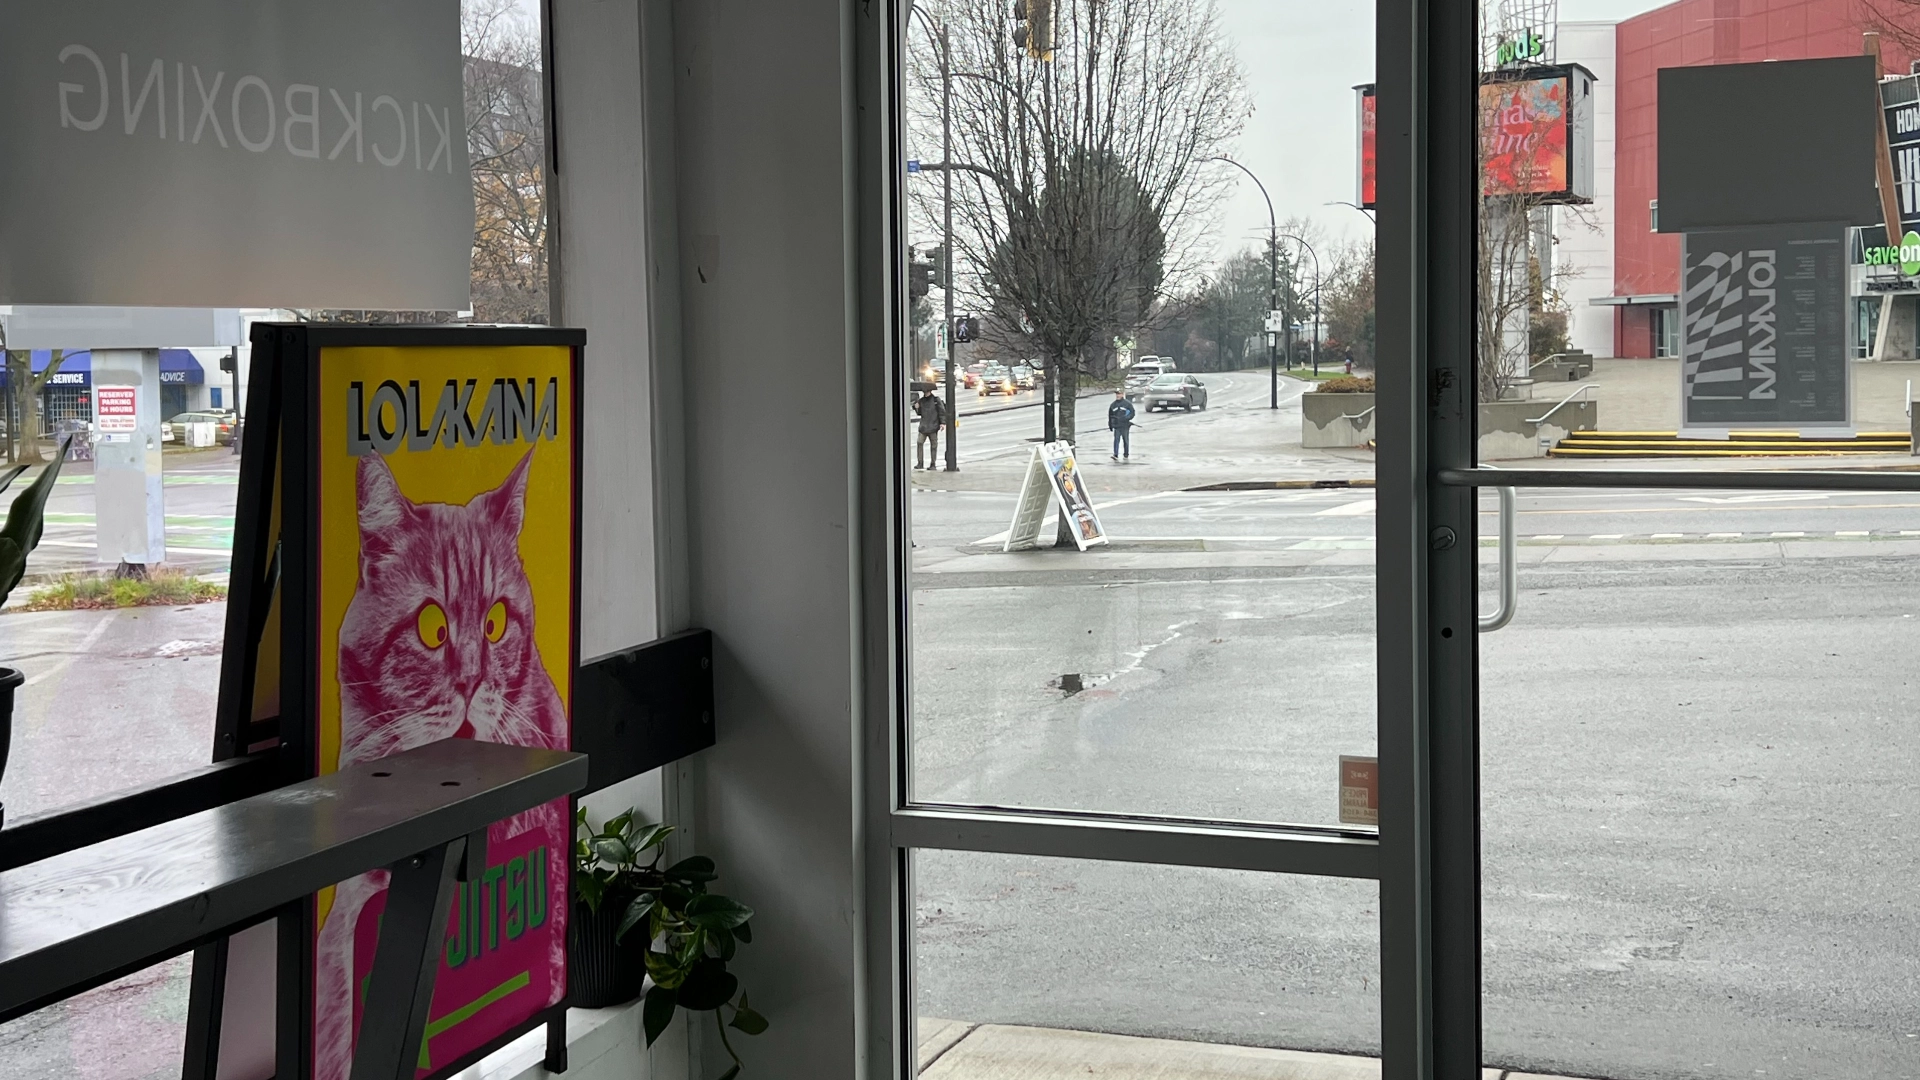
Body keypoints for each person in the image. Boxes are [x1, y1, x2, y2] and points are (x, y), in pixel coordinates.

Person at [913, 389, 946, 469]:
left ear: (929, 391)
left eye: (926, 391)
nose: (925, 393)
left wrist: (942, 423)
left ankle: (933, 463)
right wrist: (916, 407)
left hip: (933, 426)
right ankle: (920, 463)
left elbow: (941, 411)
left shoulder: (936, 400)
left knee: (933, 446)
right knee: (920, 443)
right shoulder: (921, 401)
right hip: (924, 426)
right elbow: (920, 413)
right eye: (924, 392)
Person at [1107, 389, 1136, 461]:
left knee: (1125, 440)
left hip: (1125, 426)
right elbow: (1110, 416)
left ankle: (1126, 454)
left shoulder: (1127, 404)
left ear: (1122, 394)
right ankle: (1115, 454)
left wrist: (1126, 418)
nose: (1118, 395)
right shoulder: (1113, 405)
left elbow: (1132, 413)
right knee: (1116, 440)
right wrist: (1110, 425)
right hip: (1117, 426)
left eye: (1119, 394)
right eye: (1117, 394)